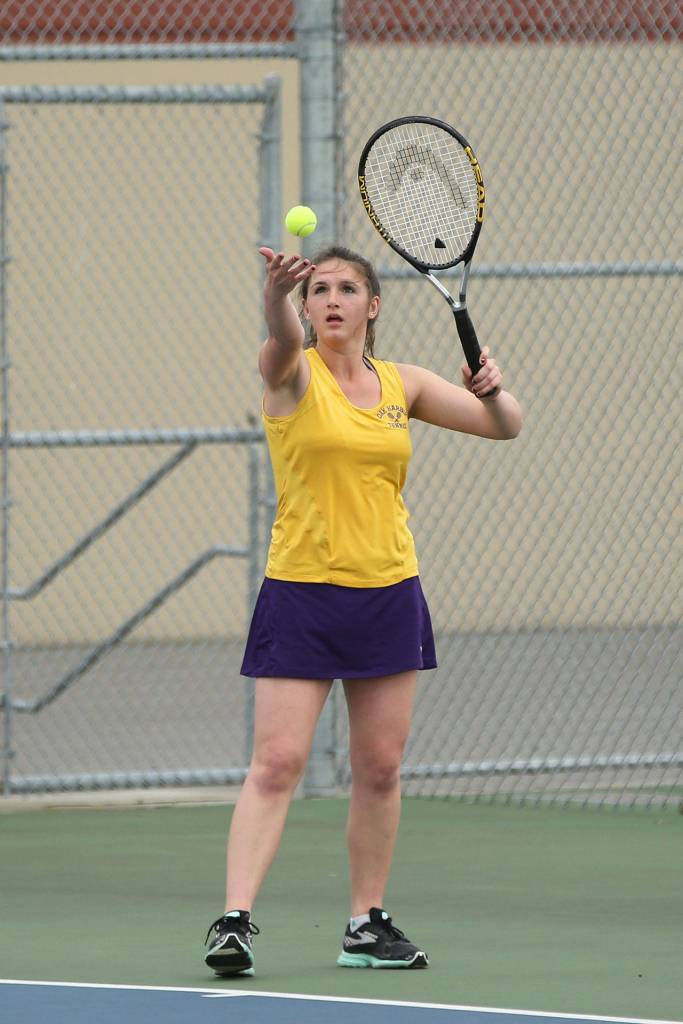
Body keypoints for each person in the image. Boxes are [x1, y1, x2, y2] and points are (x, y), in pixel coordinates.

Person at [204, 244, 523, 977]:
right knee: (277, 762)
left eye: (348, 288)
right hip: (302, 593)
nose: (332, 300)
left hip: (388, 591)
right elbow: (279, 339)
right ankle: (234, 921)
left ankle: (365, 924)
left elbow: (503, 426)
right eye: (319, 290)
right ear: (307, 307)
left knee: (379, 768)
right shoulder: (288, 372)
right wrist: (272, 298)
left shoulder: (399, 384)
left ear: (373, 306)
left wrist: (494, 388)